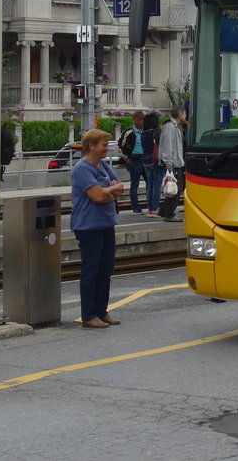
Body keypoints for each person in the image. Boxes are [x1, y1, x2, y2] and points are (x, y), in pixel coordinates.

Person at [70, 128, 124, 329]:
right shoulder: (82, 169)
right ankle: (89, 315)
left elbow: (120, 188)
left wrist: (107, 190)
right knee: (91, 271)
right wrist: (109, 191)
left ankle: (102, 311)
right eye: (104, 145)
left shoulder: (103, 165)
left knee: (105, 270)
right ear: (92, 146)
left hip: (106, 223)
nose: (107, 149)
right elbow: (98, 196)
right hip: (89, 226)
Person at [158, 105, 187, 222]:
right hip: (173, 163)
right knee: (176, 189)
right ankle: (169, 214)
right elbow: (167, 145)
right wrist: (168, 162)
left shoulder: (176, 127)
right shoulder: (170, 127)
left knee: (173, 187)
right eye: (184, 114)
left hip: (177, 161)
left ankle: (163, 210)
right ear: (180, 115)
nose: (185, 116)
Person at [120, 111, 147, 214]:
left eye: (143, 119)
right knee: (135, 184)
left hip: (145, 159)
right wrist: (126, 158)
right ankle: (136, 207)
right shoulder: (129, 132)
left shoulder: (146, 131)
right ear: (135, 120)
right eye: (141, 119)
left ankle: (151, 205)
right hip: (134, 160)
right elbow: (119, 145)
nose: (142, 121)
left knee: (150, 182)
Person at [140, 111, 162, 217]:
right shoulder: (157, 133)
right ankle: (155, 209)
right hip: (156, 161)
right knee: (157, 185)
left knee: (150, 185)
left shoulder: (143, 134)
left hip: (146, 161)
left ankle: (150, 209)